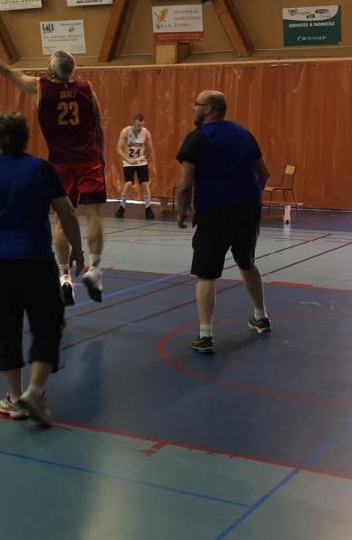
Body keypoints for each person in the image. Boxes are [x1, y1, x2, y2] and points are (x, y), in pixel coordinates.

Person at [0, 112, 84, 426]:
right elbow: (68, 214)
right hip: (35, 261)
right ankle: (35, 391)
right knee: (47, 326)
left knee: (4, 330)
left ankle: (14, 396)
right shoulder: (42, 169)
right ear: (26, 138)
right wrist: (77, 249)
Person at [0, 31, 107, 305]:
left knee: (60, 218)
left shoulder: (39, 87)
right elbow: (99, 125)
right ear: (72, 71)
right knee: (94, 215)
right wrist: (99, 156)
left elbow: (4, 70)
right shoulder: (87, 88)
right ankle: (94, 268)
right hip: (89, 158)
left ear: (50, 70)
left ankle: (64, 276)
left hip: (60, 162)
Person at [175, 90, 272, 355]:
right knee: (247, 262)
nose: (193, 108)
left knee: (206, 274)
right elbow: (263, 173)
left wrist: (182, 212)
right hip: (247, 209)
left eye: (196, 104)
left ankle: (205, 335)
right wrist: (253, 200)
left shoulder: (197, 138)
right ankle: (261, 317)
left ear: (208, 109)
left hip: (214, 211)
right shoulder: (243, 133)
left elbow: (185, 185)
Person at [116, 113, 156, 220]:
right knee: (128, 183)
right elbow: (118, 148)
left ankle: (148, 208)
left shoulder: (146, 133)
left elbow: (151, 149)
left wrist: (150, 162)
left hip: (141, 161)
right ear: (133, 123)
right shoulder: (125, 131)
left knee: (145, 183)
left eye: (142, 125)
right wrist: (127, 159)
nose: (140, 127)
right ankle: (122, 207)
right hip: (128, 161)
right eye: (138, 125)